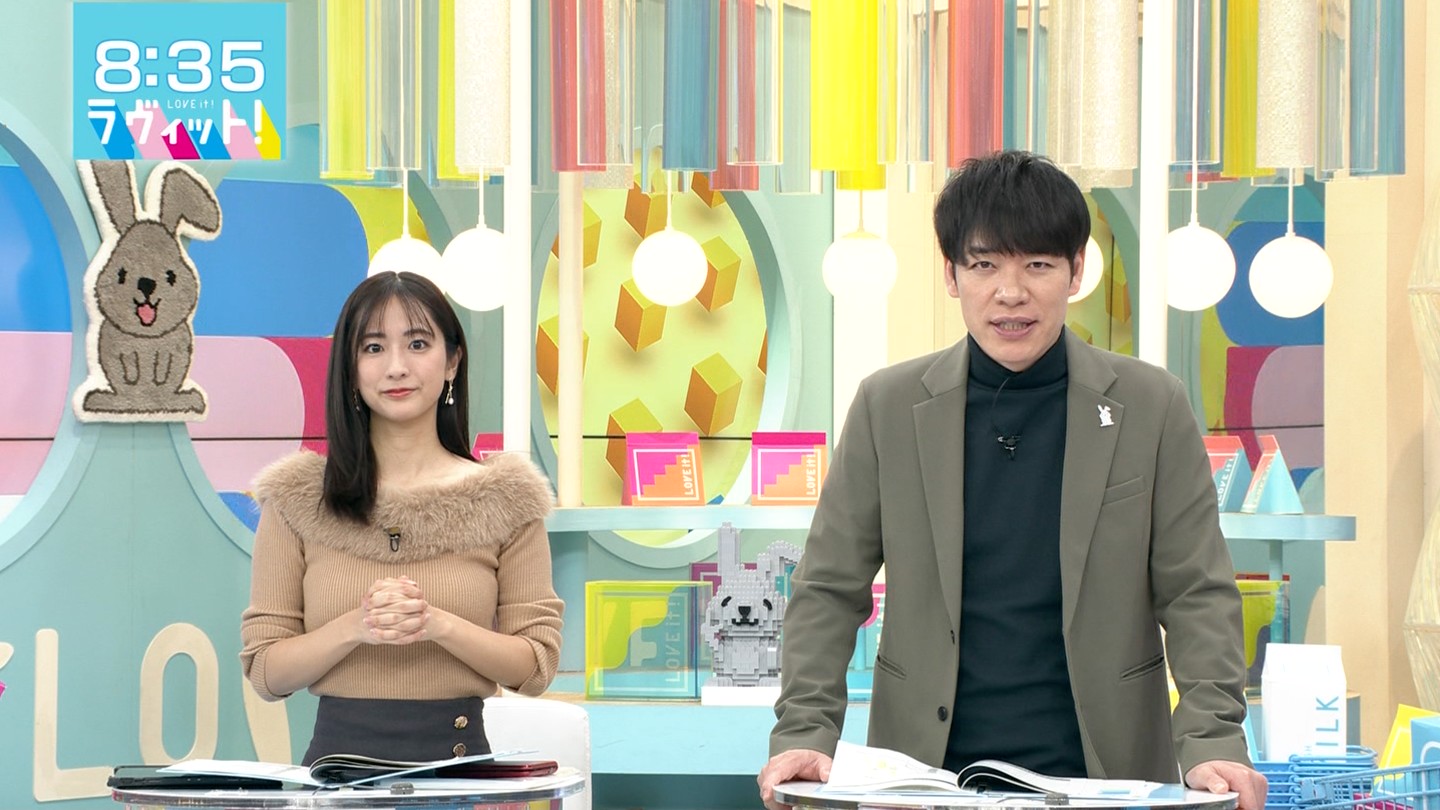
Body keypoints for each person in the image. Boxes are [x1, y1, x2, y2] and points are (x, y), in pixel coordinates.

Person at [759, 151, 1266, 810]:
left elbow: (1197, 593)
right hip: (926, 779)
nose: (1011, 292)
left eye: (1038, 265)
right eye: (984, 265)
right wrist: (805, 730)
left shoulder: (1151, 405)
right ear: (950, 274)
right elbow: (828, 589)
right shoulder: (888, 407)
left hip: (1105, 779)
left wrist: (1213, 739)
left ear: (1076, 270)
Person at [240, 270, 562, 764]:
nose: (396, 367)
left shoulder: (506, 499)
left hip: (460, 775)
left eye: (417, 344)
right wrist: (357, 626)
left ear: (452, 361)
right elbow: (266, 671)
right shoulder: (296, 499)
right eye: (373, 348)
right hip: (335, 778)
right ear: (350, 369)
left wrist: (436, 624)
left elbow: (536, 667)